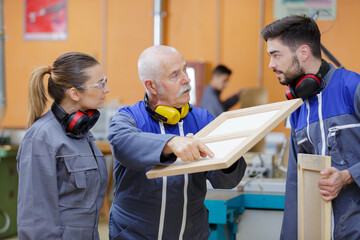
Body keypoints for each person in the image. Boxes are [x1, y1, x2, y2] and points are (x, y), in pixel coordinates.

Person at [108, 45, 247, 239]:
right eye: (175, 75)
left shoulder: (203, 120)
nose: (187, 79)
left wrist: (231, 153)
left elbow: (227, 181)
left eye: (184, 70)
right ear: (152, 86)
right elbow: (123, 143)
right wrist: (170, 143)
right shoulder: (128, 117)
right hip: (134, 235)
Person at [261, 15, 360, 239]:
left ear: (303, 52)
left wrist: (348, 176)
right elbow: (295, 187)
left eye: (276, 55)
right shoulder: (298, 110)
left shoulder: (352, 88)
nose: (271, 65)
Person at [17, 52, 110, 239]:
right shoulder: (41, 137)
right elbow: (35, 220)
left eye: (105, 81)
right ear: (74, 93)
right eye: (100, 84)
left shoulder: (82, 131)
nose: (106, 89)